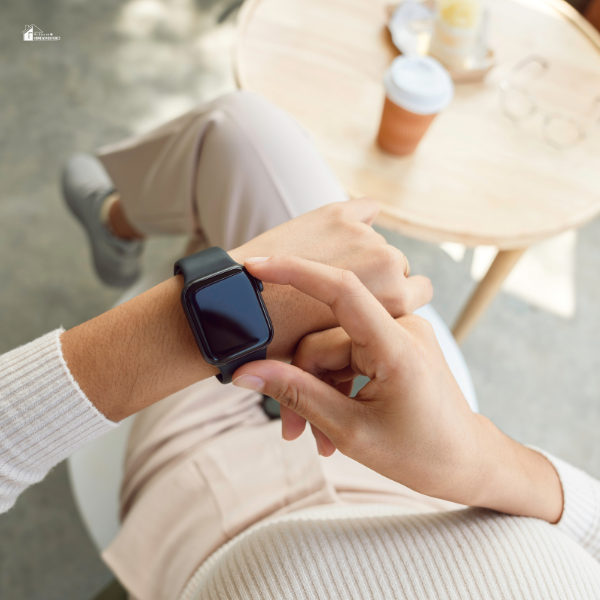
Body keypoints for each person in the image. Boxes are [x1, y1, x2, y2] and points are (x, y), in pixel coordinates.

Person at [1, 91, 599, 599]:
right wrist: (479, 458)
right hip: (431, 459)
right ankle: (119, 224)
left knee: (243, 224)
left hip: (212, 486)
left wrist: (198, 324)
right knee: (239, 132)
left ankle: (129, 229)